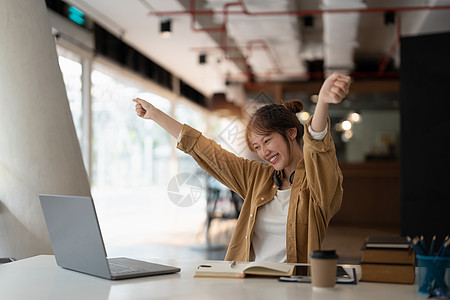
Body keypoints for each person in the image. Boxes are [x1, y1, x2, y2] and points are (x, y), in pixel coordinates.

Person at [133, 72, 351, 263]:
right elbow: (207, 151)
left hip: (294, 287)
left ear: (291, 133)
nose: (263, 152)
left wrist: (323, 101)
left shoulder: (318, 184)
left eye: (267, 141)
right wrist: (155, 115)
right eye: (256, 146)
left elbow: (318, 150)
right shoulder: (257, 177)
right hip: (249, 282)